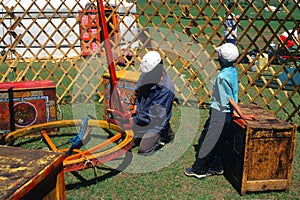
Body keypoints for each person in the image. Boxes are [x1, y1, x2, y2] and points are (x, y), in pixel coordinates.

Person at [184, 43, 256, 179]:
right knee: (217, 140)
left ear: (219, 58)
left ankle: (199, 169)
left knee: (208, 141)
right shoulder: (232, 72)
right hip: (225, 114)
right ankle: (216, 166)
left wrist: (241, 114)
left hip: (220, 113)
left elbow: (229, 99)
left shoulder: (221, 78)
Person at [129, 51, 175, 155]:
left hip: (155, 122)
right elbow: (138, 91)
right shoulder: (145, 75)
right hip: (141, 117)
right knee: (124, 141)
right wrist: (135, 106)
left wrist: (135, 120)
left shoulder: (166, 90)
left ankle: (164, 132)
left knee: (144, 150)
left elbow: (154, 115)